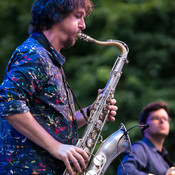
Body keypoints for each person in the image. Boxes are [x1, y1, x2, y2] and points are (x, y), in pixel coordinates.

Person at [0, 0, 118, 174]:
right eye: (78, 17)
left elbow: (55, 123)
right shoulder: (34, 54)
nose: (83, 25)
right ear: (55, 15)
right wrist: (56, 147)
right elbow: (8, 104)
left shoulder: (49, 59)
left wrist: (92, 112)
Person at [117, 101, 175, 175]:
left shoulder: (165, 156)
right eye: (156, 118)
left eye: (166, 119)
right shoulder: (140, 148)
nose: (162, 121)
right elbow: (124, 171)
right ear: (143, 126)